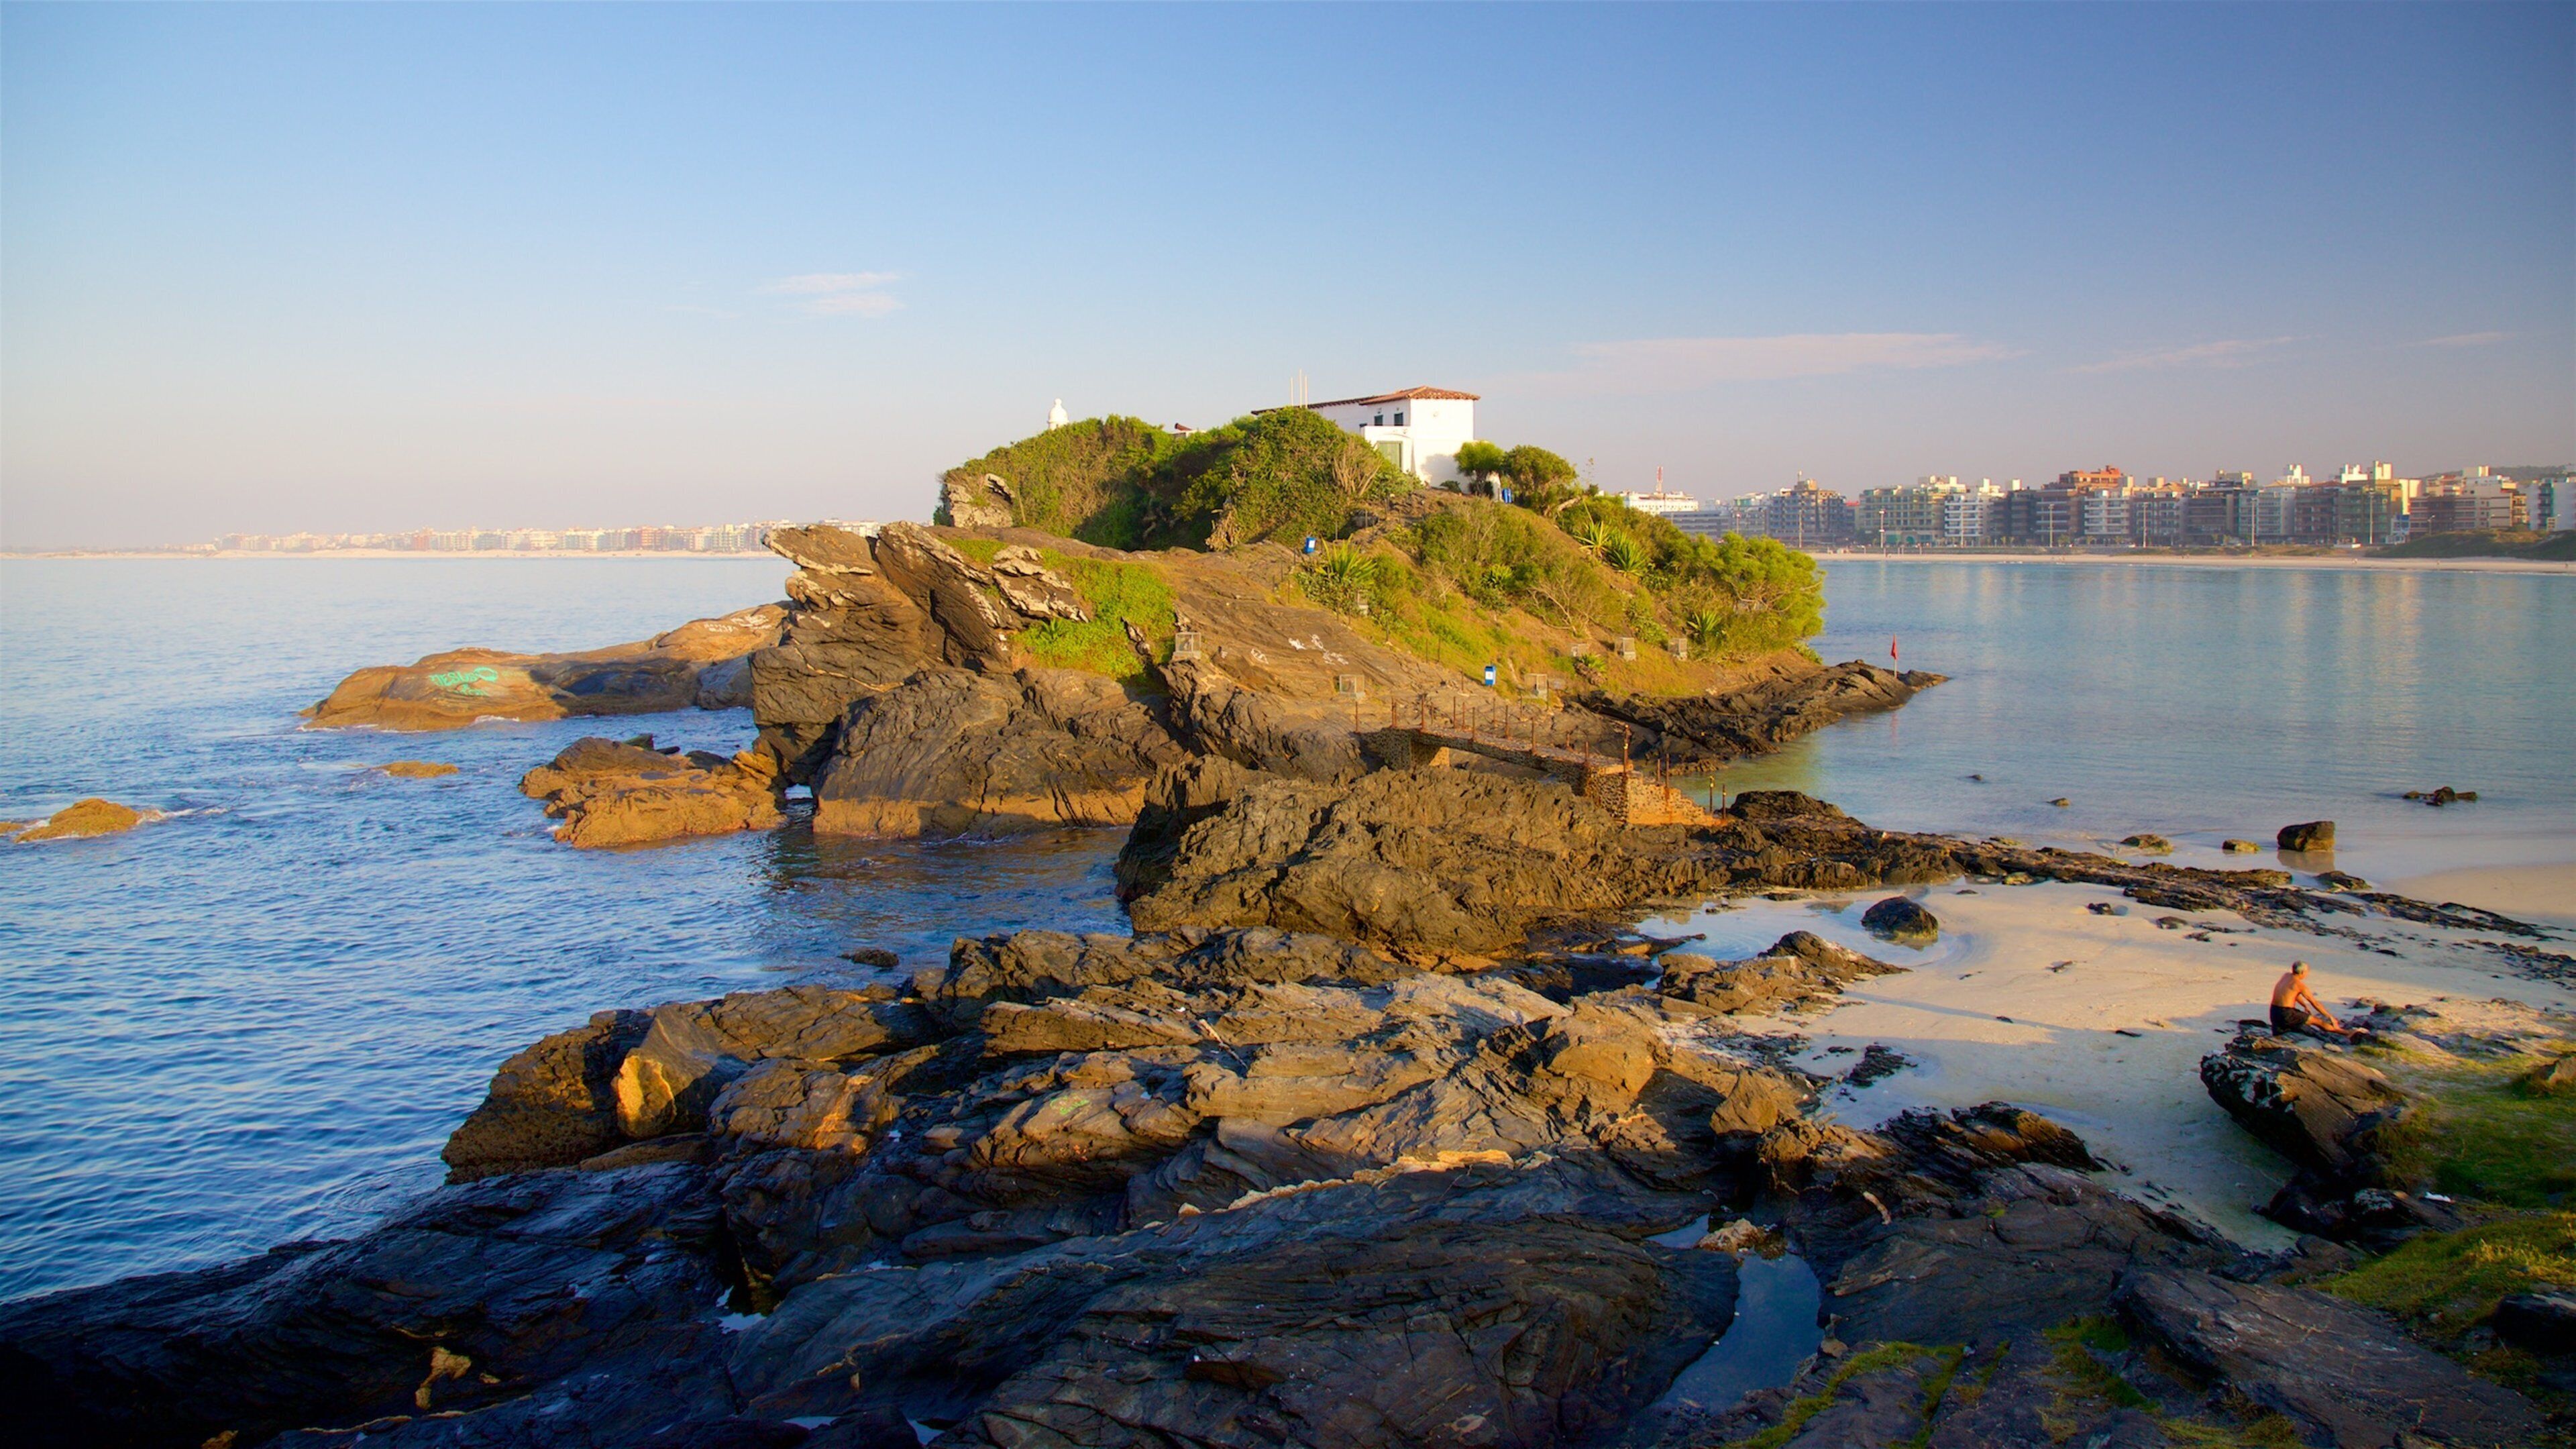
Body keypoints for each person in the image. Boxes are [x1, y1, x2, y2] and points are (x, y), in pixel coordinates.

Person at [2269, 961, 2353, 1038]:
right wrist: (2330, 1017)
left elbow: (2292, 994)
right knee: (2317, 1022)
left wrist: (2304, 1005)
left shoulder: (2286, 976)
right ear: (2302, 973)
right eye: (2307, 972)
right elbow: (2315, 1004)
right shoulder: (2299, 985)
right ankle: (2345, 1033)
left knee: (2280, 1033)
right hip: (2287, 1014)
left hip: (2274, 1011)